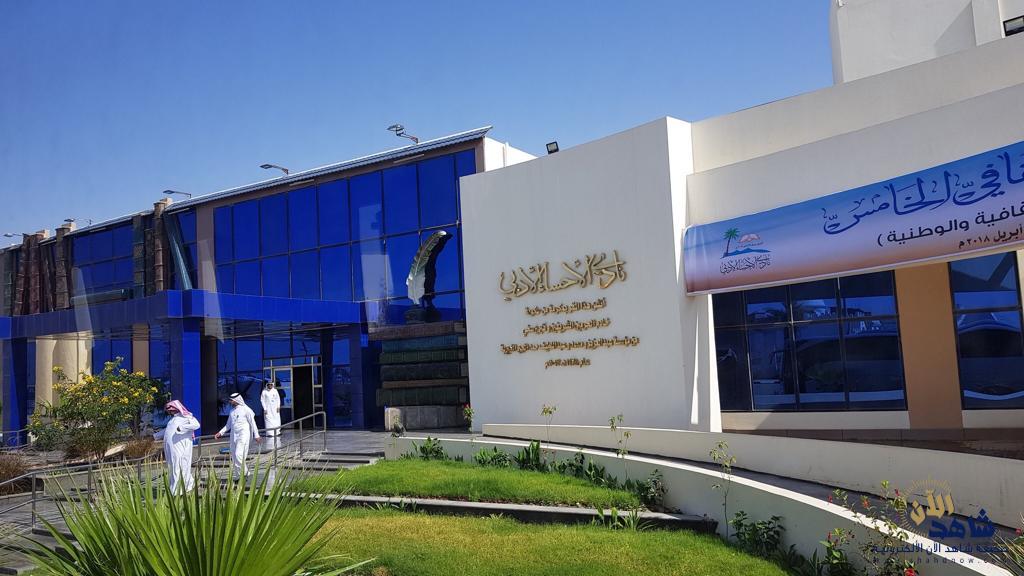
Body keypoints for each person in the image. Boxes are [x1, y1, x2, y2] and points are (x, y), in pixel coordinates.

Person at [214, 392, 261, 479]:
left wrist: (256, 435)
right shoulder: (232, 411)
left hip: (243, 435)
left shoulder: (246, 410)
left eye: (231, 400)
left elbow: (253, 423)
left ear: (236, 400)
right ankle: (239, 476)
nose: (230, 402)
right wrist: (220, 432)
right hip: (233, 436)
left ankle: (246, 473)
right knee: (234, 457)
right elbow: (228, 425)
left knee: (239, 455)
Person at [162, 400, 201, 494]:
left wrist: (182, 428)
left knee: (179, 465)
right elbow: (167, 431)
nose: (169, 410)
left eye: (170, 408)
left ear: (176, 407)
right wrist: (154, 436)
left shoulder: (187, 416)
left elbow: (196, 425)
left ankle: (177, 490)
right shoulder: (173, 420)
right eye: (168, 409)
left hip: (180, 447)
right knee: (173, 466)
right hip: (171, 448)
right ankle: (179, 487)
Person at [260, 379, 282, 452]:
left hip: (275, 409)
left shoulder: (275, 391)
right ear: (267, 385)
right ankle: (270, 433)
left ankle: (277, 432)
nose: (270, 386)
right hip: (268, 409)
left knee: (276, 419)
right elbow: (262, 400)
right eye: (269, 385)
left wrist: (278, 407)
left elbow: (278, 399)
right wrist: (265, 408)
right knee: (268, 420)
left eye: (271, 384)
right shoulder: (264, 391)